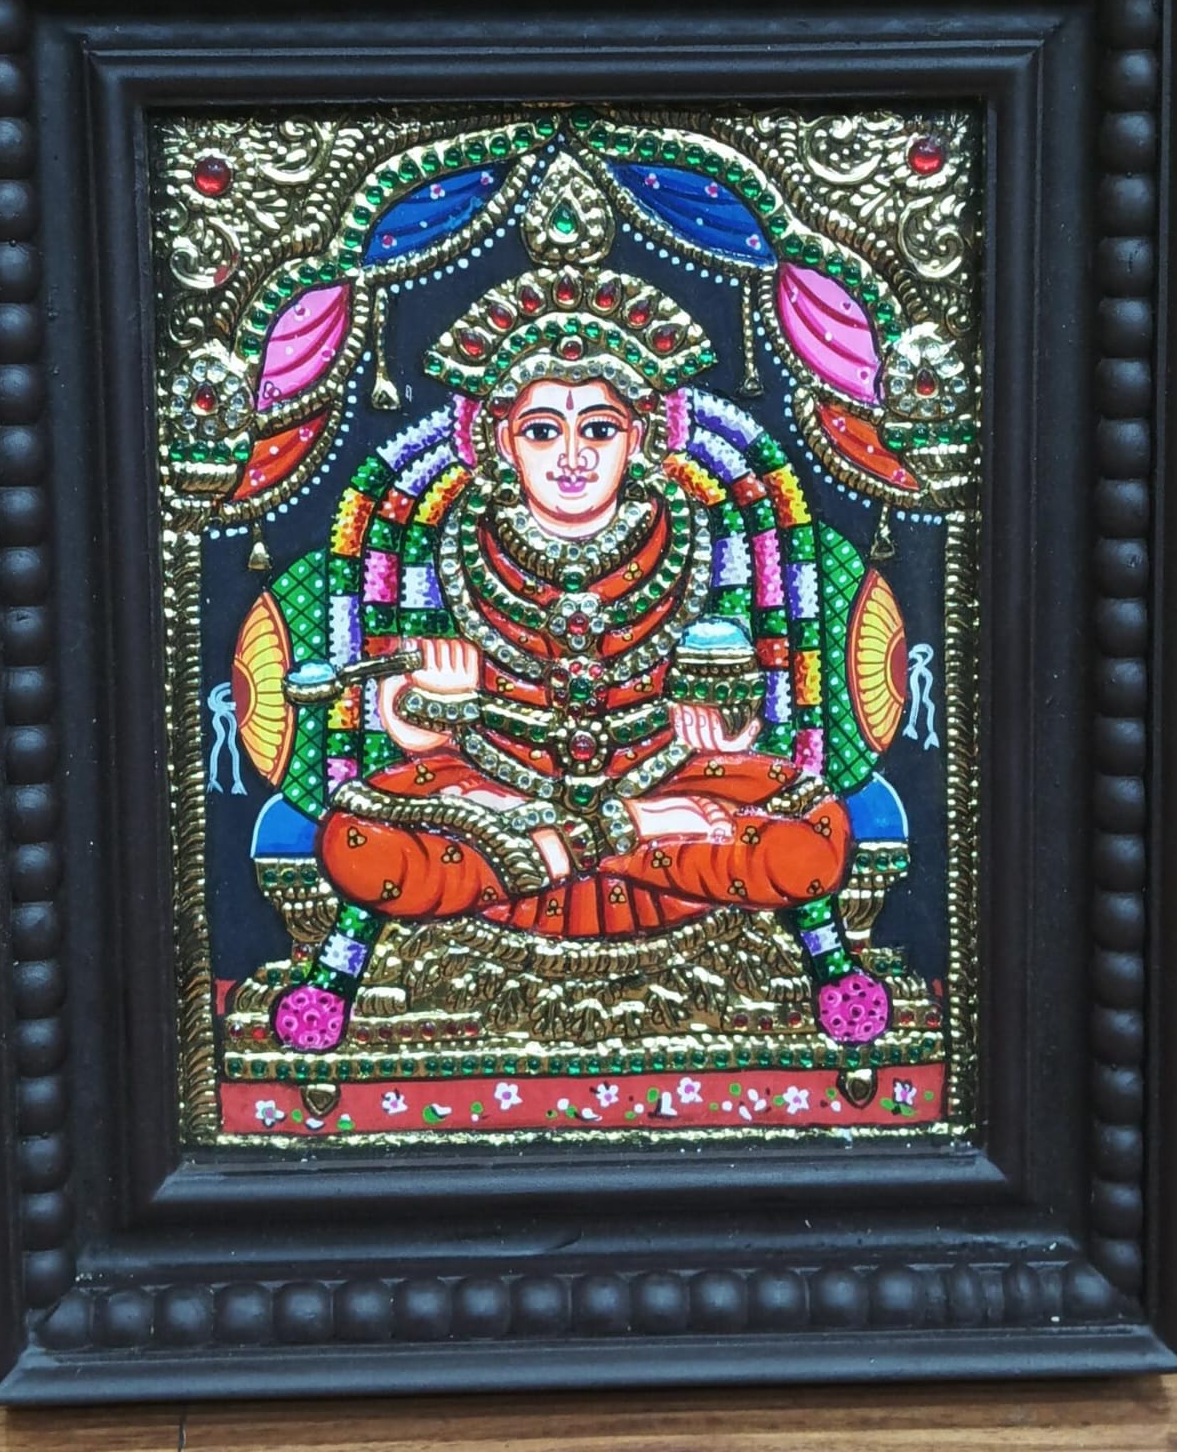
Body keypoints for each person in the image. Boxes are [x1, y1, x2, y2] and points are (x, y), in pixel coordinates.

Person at [272, 263, 890, 1052]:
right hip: (500, 793)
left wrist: (725, 729)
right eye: (542, 431)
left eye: (598, 429)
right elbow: (405, 723)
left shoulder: (695, 534)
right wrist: (430, 716)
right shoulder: (451, 541)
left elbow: (744, 702)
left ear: (643, 437)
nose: (571, 456)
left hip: (659, 781)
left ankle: (596, 852)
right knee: (358, 843)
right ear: (499, 440)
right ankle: (608, 838)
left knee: (809, 839)